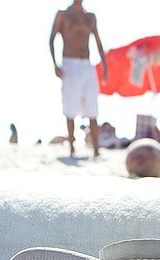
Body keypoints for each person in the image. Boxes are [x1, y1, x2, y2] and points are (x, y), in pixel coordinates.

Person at [49, 0, 108, 157]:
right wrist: (55, 64)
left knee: (92, 107)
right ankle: (72, 147)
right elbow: (52, 38)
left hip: (87, 64)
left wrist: (105, 66)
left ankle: (96, 149)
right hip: (69, 63)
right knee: (70, 106)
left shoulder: (90, 17)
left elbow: (98, 41)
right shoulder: (63, 15)